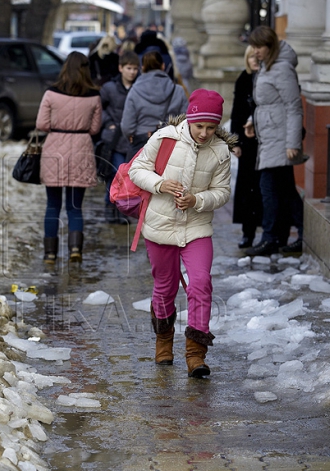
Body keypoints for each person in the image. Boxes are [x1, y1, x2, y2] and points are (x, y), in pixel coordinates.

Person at [128, 89, 234, 377]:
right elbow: (136, 170)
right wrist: (160, 184)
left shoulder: (221, 151)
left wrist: (197, 201)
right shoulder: (164, 138)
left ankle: (196, 354)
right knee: (165, 287)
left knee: (200, 283)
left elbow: (223, 192)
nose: (204, 133)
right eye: (199, 125)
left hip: (197, 227)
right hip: (160, 226)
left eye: (211, 127)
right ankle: (164, 342)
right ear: (190, 118)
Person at [243, 25, 305, 257]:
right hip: (270, 135)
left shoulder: (282, 69)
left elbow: (293, 107)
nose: (255, 51)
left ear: (270, 46)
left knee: (268, 189)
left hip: (280, 139)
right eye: (254, 47)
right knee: (286, 190)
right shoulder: (268, 66)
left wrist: (293, 143)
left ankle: (270, 237)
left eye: (259, 47)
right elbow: (268, 103)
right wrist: (253, 121)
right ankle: (296, 234)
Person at [36, 52, 102, 264]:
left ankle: (50, 253)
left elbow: (42, 125)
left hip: (54, 149)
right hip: (81, 150)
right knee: (75, 207)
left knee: (52, 205)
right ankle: (75, 249)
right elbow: (95, 129)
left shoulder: (51, 93)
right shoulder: (94, 96)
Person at [120, 51, 188, 160]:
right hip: (170, 144)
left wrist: (131, 135)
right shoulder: (178, 90)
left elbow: (127, 125)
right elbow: (185, 120)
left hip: (141, 144)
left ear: (142, 68)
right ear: (163, 66)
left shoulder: (135, 90)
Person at [99, 51, 140, 224]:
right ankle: (110, 206)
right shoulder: (109, 88)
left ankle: (121, 208)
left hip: (133, 140)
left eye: (135, 69)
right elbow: (99, 108)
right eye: (129, 68)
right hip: (114, 139)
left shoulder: (140, 88)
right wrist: (108, 123)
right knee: (116, 172)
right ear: (120, 68)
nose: (132, 72)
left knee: (129, 177)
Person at [230, 46, 262, 249]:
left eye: (257, 56)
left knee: (263, 188)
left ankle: (267, 231)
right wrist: (234, 142)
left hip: (265, 140)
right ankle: (247, 233)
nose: (254, 60)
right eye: (251, 56)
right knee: (247, 188)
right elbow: (236, 112)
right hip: (247, 141)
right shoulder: (243, 80)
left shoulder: (267, 78)